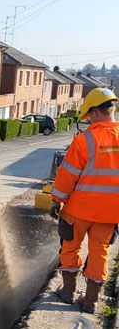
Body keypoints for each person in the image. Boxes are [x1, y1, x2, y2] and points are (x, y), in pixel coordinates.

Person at [51, 87, 119, 312]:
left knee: (70, 247)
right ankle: (90, 301)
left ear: (96, 112)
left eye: (89, 116)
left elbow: (66, 175)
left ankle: (68, 292)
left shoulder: (84, 140)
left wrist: (56, 200)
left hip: (78, 209)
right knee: (100, 251)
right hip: (110, 213)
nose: (88, 120)